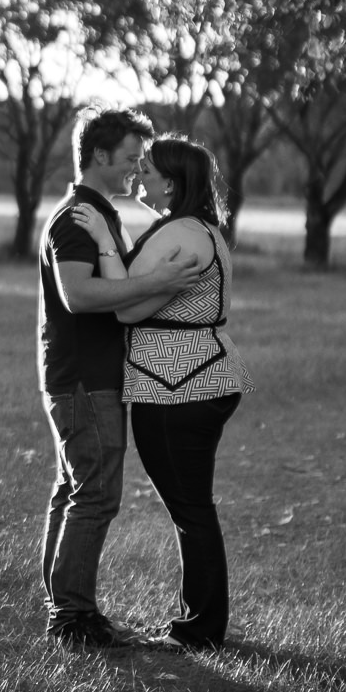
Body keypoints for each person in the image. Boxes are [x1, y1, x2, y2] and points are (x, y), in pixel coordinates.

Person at [74, 135, 253, 651]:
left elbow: (126, 309)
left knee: (190, 509)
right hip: (206, 375)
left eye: (149, 170)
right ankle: (204, 621)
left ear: (172, 182)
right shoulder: (205, 228)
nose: (141, 177)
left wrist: (106, 246)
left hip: (177, 387)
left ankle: (200, 630)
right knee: (193, 506)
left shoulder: (176, 232)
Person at [38, 109, 207, 651]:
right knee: (96, 495)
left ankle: (65, 608)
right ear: (100, 156)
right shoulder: (76, 218)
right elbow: (79, 296)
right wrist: (160, 280)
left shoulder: (98, 213)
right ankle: (74, 619)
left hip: (85, 376)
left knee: (74, 491)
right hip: (85, 379)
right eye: (131, 158)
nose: (138, 168)